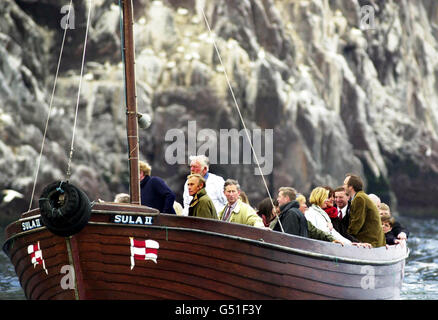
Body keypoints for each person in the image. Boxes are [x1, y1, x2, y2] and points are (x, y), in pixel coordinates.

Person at [270, 187, 343, 245]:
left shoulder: (291, 213)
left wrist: (332, 239)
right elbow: (315, 231)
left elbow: (288, 240)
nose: (277, 199)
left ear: (286, 198)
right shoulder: (296, 213)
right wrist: (331, 239)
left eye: (279, 196)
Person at [343, 174, 386, 247]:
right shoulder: (360, 196)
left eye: (345, 184)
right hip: (374, 239)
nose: (343, 186)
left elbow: (357, 222)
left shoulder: (359, 198)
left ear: (351, 187)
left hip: (370, 241)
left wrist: (345, 236)